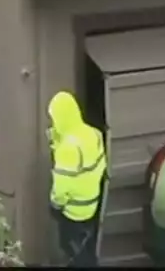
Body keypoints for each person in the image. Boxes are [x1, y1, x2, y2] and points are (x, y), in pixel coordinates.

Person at [47, 91, 107, 267]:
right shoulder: (94, 134)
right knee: (86, 249)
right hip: (92, 205)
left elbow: (61, 186)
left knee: (71, 249)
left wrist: (56, 205)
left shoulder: (67, 149)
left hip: (73, 210)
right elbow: (101, 166)